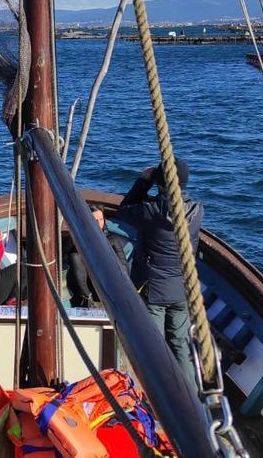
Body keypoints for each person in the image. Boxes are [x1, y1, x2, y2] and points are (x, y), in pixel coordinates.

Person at [116, 158, 203, 392]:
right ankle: (190, 397)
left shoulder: (151, 210)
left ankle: (156, 397)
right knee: (180, 345)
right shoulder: (197, 210)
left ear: (160, 182)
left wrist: (144, 181)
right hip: (183, 289)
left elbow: (124, 211)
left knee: (153, 347)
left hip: (153, 289)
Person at [65, 207, 132, 309]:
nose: (99, 223)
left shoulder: (112, 240)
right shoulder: (77, 238)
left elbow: (123, 264)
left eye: (101, 219)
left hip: (107, 284)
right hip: (85, 285)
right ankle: (86, 299)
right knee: (75, 257)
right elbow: (69, 256)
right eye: (95, 220)